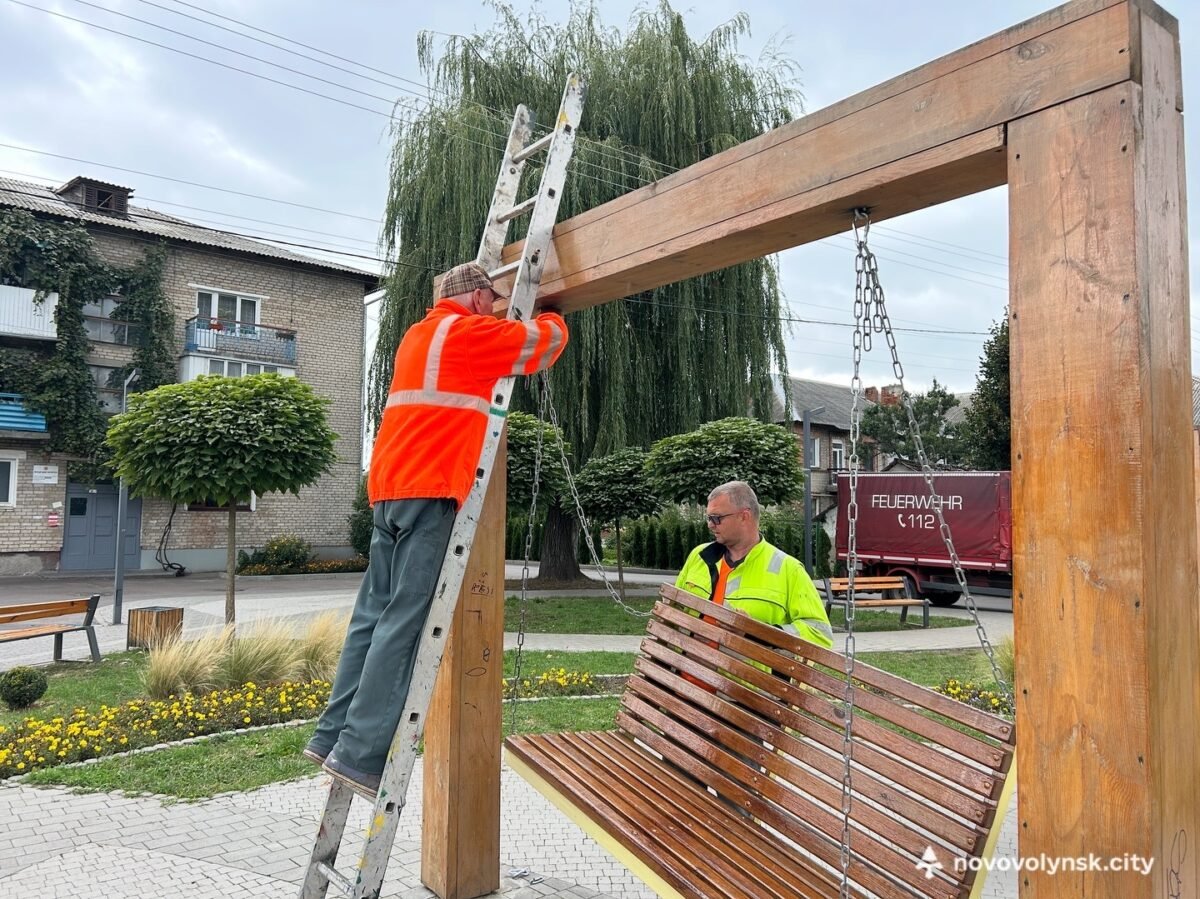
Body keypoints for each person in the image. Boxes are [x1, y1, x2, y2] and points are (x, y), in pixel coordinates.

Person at [305, 261, 568, 797]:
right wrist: (553, 314)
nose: (495, 309)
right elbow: (540, 347)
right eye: (492, 301)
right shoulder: (467, 333)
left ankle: (330, 735)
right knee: (405, 621)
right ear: (477, 297)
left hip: (390, 490)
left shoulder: (418, 336)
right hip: (430, 489)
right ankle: (359, 754)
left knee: (371, 617)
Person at [675, 480, 833, 649]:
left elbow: (820, 635)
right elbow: (673, 609)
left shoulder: (789, 569)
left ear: (744, 516)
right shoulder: (699, 555)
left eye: (716, 518)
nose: (710, 525)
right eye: (709, 518)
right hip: (683, 665)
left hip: (740, 667)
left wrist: (755, 632)